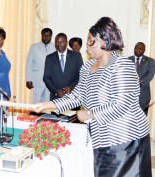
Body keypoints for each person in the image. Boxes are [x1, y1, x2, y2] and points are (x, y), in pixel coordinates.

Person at [34, 17, 151, 177]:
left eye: (90, 41)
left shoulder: (122, 66)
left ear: (104, 41)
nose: (87, 47)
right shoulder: (87, 67)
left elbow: (122, 104)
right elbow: (77, 96)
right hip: (101, 138)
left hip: (126, 140)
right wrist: (48, 105)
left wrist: (89, 114)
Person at [43, 33, 83, 101]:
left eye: (61, 41)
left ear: (66, 43)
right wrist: (56, 91)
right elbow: (46, 78)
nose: (59, 44)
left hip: (73, 97)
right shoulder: (49, 58)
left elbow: (81, 75)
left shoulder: (76, 56)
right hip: (56, 98)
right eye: (57, 42)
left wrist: (71, 87)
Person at [26, 28, 55, 103]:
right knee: (37, 101)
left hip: (51, 81)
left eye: (48, 36)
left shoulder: (55, 47)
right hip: (38, 80)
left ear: (51, 36)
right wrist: (28, 79)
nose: (46, 37)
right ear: (41, 35)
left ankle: (46, 115)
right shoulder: (34, 47)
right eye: (44, 35)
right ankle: (36, 115)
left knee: (48, 102)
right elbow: (29, 64)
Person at [129, 42, 155, 116]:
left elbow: (150, 75)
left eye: (140, 49)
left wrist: (138, 82)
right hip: (129, 95)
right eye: (136, 48)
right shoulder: (127, 60)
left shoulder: (150, 61)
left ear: (144, 50)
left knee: (141, 118)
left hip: (143, 96)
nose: (138, 50)